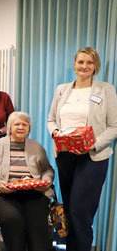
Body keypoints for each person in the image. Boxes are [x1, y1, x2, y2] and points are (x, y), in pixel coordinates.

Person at [47, 47, 117, 251]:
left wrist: (91, 145)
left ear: (95, 66)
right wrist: (56, 134)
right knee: (69, 211)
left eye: (90, 62)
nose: (84, 66)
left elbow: (114, 127)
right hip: (65, 156)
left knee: (81, 212)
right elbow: (51, 120)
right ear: (74, 64)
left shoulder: (106, 90)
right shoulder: (61, 89)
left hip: (93, 158)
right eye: (81, 62)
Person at [0, 111, 54, 251]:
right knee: (13, 219)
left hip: (34, 192)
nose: (20, 127)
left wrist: (46, 182)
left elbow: (47, 170)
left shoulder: (36, 147)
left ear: (29, 128)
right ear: (9, 127)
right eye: (17, 124)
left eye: (24, 125)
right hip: (3, 193)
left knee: (37, 222)